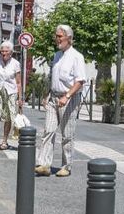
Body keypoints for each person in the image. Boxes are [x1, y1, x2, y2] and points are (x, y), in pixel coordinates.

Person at [35, 24, 86, 177]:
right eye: (56, 36)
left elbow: (80, 81)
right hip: (54, 97)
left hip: (69, 99)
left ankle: (66, 166)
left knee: (67, 134)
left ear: (69, 38)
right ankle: (44, 164)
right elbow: (53, 77)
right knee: (48, 131)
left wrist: (67, 96)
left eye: (59, 36)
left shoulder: (77, 57)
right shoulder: (57, 55)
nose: (56, 39)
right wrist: (47, 94)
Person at [0, 40, 23, 150]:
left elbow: (18, 82)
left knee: (8, 117)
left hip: (11, 92)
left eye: (6, 51)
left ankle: (4, 140)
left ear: (11, 52)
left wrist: (20, 98)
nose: (3, 53)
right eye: (2, 51)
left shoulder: (16, 63)